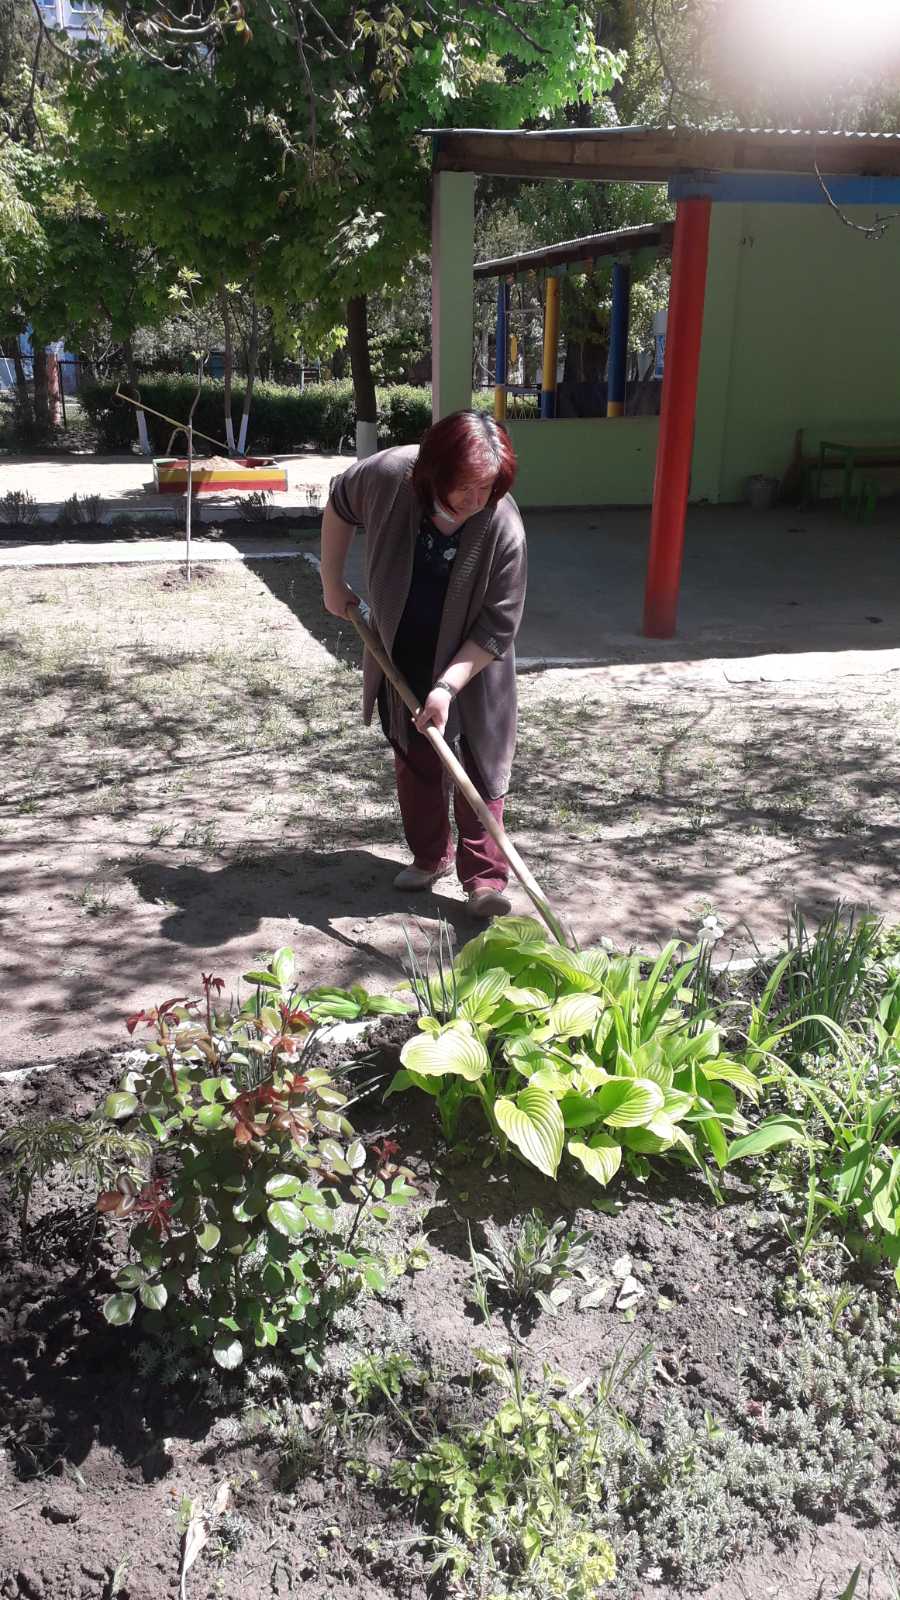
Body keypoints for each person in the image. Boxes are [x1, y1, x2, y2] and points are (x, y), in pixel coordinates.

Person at [320, 409, 527, 920]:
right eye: (466, 487)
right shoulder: (390, 475)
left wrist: (448, 687)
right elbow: (340, 501)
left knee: (479, 765)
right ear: (436, 469)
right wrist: (331, 581)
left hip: (474, 665)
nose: (476, 501)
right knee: (414, 752)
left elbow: (497, 627)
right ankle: (431, 855)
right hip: (402, 646)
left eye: (487, 489)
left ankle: (484, 880)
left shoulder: (502, 525)